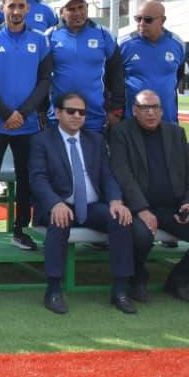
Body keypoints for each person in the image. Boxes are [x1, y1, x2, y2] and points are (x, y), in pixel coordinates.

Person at [31, 91, 144, 314]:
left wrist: (115, 200)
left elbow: (107, 175)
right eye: (71, 111)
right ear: (58, 113)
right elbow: (38, 178)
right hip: (60, 204)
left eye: (81, 112)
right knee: (59, 221)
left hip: (92, 207)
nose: (77, 116)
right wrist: (55, 203)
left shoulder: (95, 140)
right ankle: (53, 290)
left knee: (121, 219)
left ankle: (121, 290)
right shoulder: (42, 140)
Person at [0, 0, 52, 252]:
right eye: (11, 6)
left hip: (28, 125)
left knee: (26, 178)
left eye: (20, 6)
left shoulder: (40, 40)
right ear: (3, 8)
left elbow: (44, 81)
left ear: (27, 8)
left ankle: (20, 231)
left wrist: (23, 113)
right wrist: (6, 113)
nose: (16, 11)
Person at [109, 90, 189, 301]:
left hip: (175, 207)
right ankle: (137, 279)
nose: (150, 112)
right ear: (134, 110)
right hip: (139, 208)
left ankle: (178, 280)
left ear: (162, 111)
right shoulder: (121, 133)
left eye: (155, 107)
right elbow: (123, 174)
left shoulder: (176, 133)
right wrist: (141, 209)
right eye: (145, 108)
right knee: (141, 237)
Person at [47, 0, 124, 133]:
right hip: (59, 117)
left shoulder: (104, 35)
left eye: (81, 7)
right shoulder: (50, 36)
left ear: (87, 8)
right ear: (62, 12)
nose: (77, 13)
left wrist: (116, 109)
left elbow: (117, 74)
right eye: (71, 9)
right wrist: (41, 110)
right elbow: (41, 76)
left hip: (94, 117)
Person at [118, 0, 186, 123]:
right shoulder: (123, 45)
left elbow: (178, 76)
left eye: (148, 20)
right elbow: (112, 82)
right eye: (138, 19)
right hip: (132, 123)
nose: (141, 23)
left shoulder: (177, 44)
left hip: (167, 122)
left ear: (162, 20)